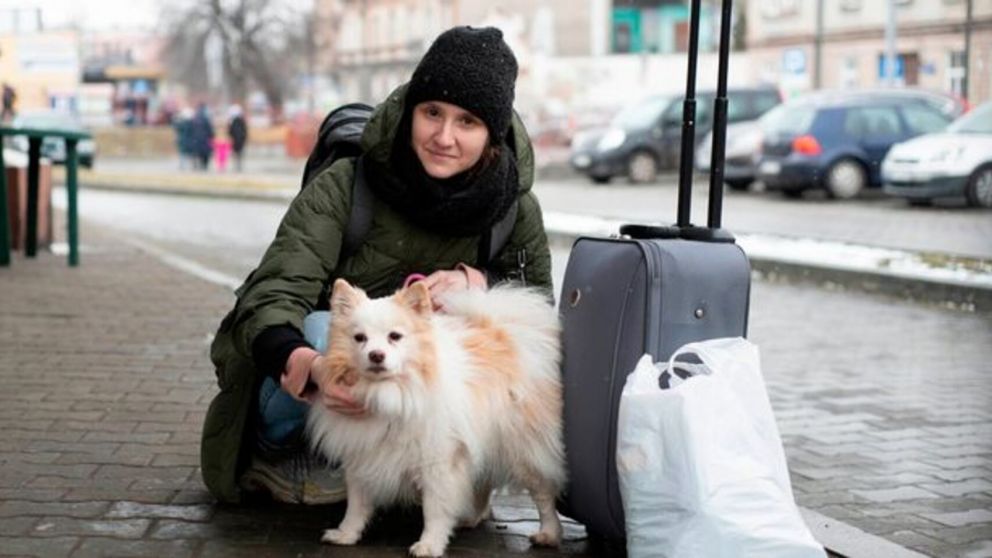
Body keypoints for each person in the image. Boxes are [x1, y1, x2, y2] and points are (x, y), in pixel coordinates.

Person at [200, 26, 554, 505]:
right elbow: (273, 294)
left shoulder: (514, 209)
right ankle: (284, 448)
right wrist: (311, 365)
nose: (444, 137)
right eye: (432, 113)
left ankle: (428, 469)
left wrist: (478, 285)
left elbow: (539, 317)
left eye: (467, 122)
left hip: (421, 401)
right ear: (411, 111)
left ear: (492, 132)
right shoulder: (347, 185)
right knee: (333, 332)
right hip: (310, 377)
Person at [189, 103, 215, 170]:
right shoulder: (206, 118)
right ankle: (204, 166)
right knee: (205, 153)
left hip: (196, 139)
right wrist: (212, 136)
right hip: (205, 139)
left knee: (199, 152)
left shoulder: (195, 118)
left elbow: (191, 129)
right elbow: (210, 129)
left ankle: (200, 165)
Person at [227, 104, 248, 172]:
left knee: (235, 153)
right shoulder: (242, 122)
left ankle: (236, 165)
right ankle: (239, 165)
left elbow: (230, 131)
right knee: (239, 153)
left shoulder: (233, 122)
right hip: (240, 140)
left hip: (235, 140)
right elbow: (245, 131)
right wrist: (244, 138)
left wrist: (231, 137)